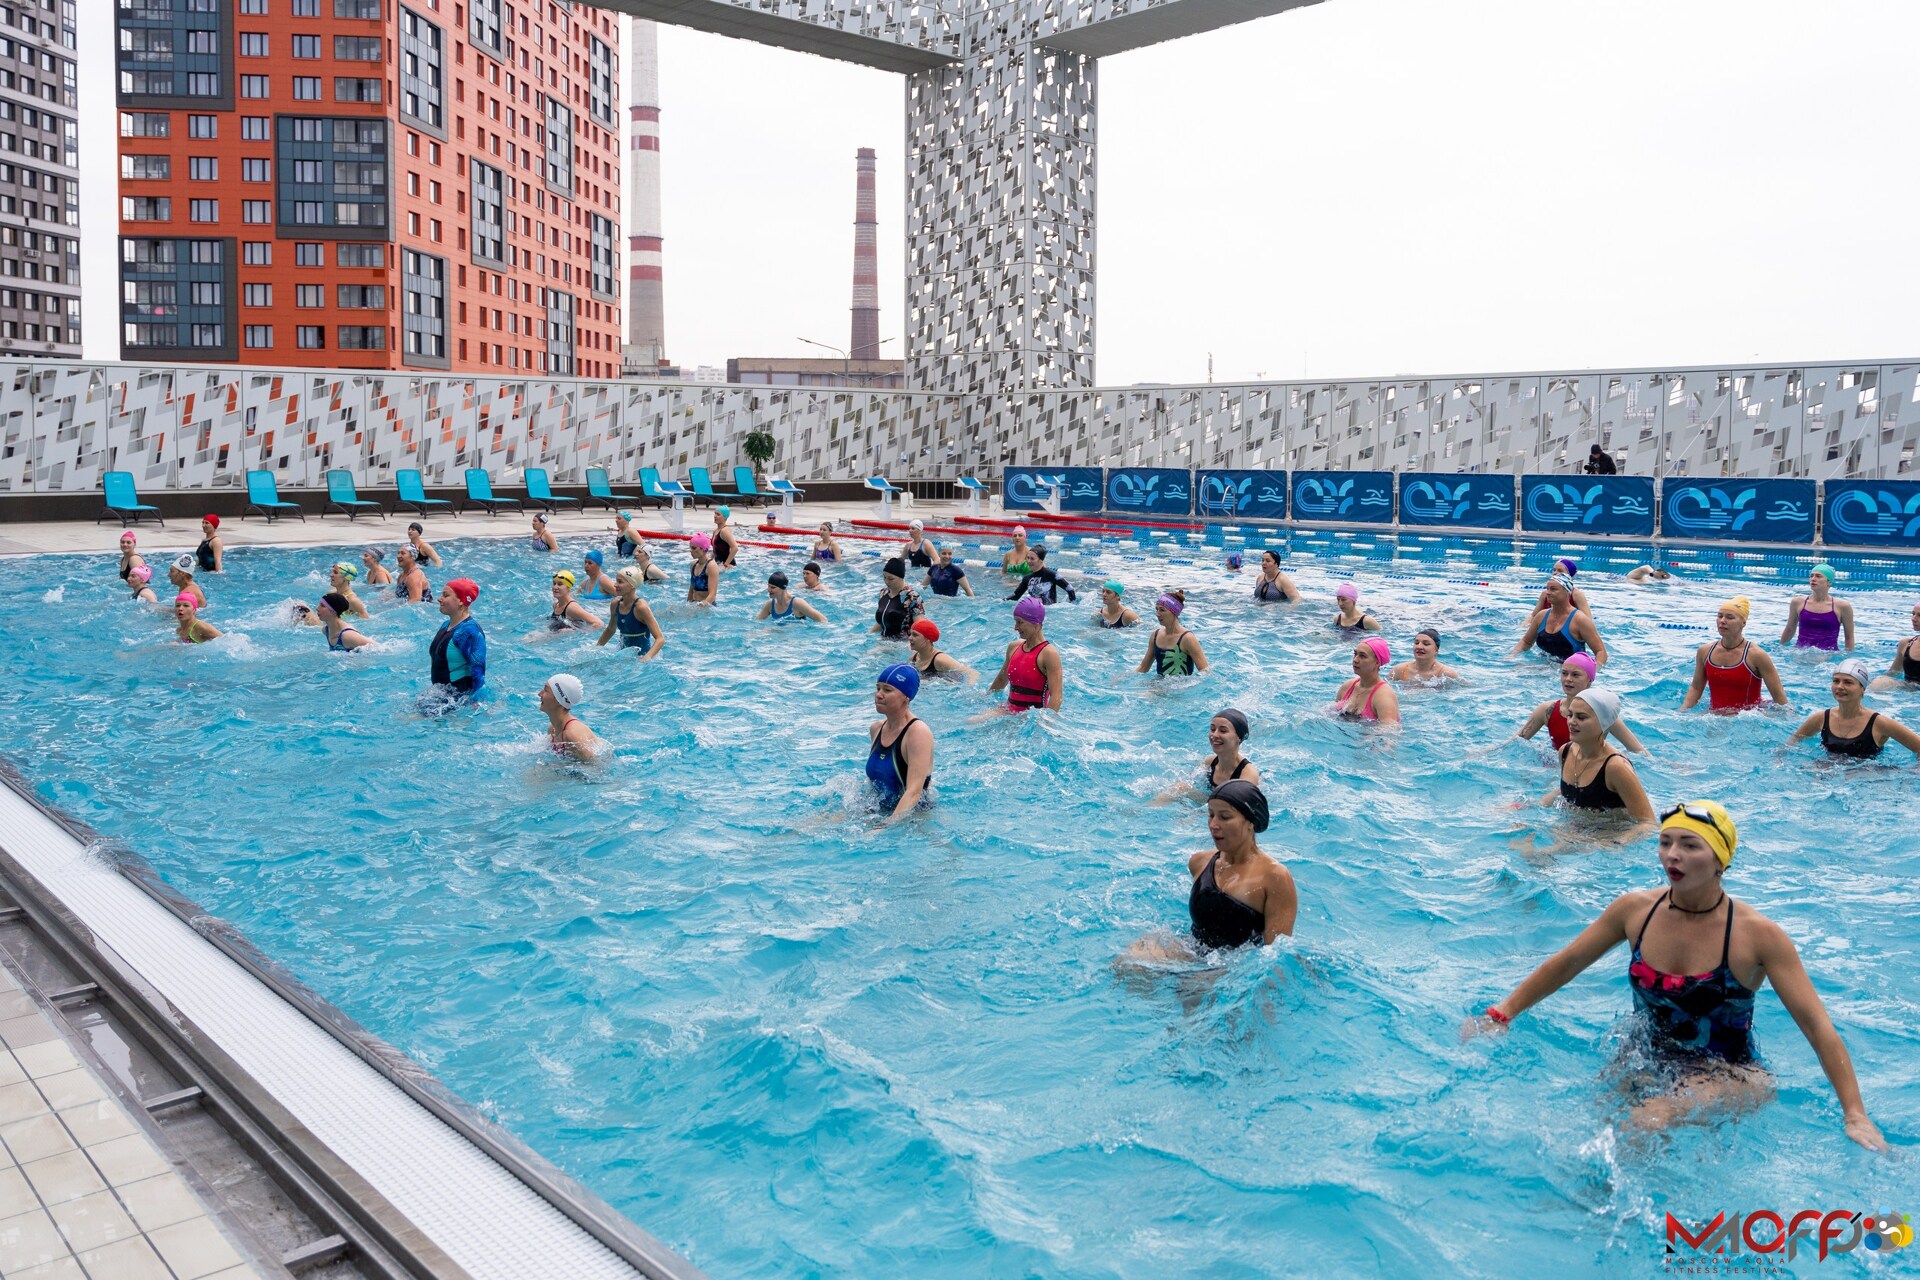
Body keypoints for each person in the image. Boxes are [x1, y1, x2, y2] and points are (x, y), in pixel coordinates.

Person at [1467, 801, 1887, 1151]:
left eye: (1689, 845)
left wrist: (1855, 1114)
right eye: (1666, 842)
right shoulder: (1635, 911)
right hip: (1645, 1052)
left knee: (1647, 1120)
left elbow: (1817, 1027)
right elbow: (1568, 962)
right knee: (1591, 1126)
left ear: (1720, 859)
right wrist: (1501, 1014)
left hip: (1729, 1072)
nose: (1672, 854)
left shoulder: (1757, 936)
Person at [1127, 782, 1296, 961]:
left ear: (1251, 822)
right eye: (1211, 815)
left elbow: (1275, 957)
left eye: (1225, 817)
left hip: (1235, 966)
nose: (1213, 824)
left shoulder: (1274, 877)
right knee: (1135, 954)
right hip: (1194, 954)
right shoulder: (1200, 862)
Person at [1539, 688, 1655, 821]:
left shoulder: (1616, 767)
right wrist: (1533, 806)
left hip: (1611, 831)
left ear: (1603, 722)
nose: (1571, 722)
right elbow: (1569, 792)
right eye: (1570, 715)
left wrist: (1605, 837)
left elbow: (1648, 823)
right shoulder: (1565, 752)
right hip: (1577, 827)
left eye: (1581, 717)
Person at [1787, 658, 1920, 760]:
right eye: (1836, 681)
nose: (1839, 686)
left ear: (1862, 688)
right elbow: (1792, 743)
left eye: (1848, 682)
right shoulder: (1820, 718)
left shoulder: (1879, 723)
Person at [1518, 653, 1648, 753]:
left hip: (1586, 770)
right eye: (1564, 673)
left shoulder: (1602, 713)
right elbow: (1516, 742)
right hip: (1554, 767)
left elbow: (1639, 751)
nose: (1568, 679)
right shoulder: (1547, 710)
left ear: (1589, 681)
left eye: (1575, 675)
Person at [1682, 597, 1788, 712]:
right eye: (1720, 616)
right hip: (1713, 716)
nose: (1722, 621)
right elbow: (1696, 687)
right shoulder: (1705, 651)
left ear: (1743, 623)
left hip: (1748, 718)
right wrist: (1682, 712)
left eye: (1729, 617)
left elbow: (1779, 696)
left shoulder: (1756, 655)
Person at [867, 663, 934, 821]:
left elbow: (914, 793)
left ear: (906, 697)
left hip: (912, 819)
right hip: (879, 811)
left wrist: (884, 827)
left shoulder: (917, 733)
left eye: (887, 690)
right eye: (878, 688)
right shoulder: (876, 729)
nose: (879, 695)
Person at [1155, 708, 1262, 805]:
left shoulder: (1248, 775)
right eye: (1212, 729)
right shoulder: (1209, 762)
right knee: (1180, 788)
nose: (1214, 735)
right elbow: (1190, 782)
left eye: (1223, 730)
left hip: (1226, 810)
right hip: (1212, 803)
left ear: (1239, 737)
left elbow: (1235, 810)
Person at [988, 597, 1063, 713]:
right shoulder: (1014, 647)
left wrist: (1045, 722)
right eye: (1015, 622)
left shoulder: (1048, 654)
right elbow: (1001, 680)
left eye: (1020, 622)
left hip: (1032, 717)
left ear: (1036, 624)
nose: (1015, 628)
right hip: (1008, 711)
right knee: (972, 721)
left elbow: (1056, 697)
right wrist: (984, 699)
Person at [1514, 574, 1608, 666]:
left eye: (1553, 589)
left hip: (1570, 671)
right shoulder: (1541, 616)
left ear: (1567, 592)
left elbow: (1601, 652)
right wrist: (1511, 657)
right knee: (1518, 668)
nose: (1548, 592)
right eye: (1547, 588)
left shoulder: (1580, 620)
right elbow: (1526, 642)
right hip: (1544, 665)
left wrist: (1592, 672)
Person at [428, 578, 487, 699]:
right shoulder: (445, 625)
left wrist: (477, 702)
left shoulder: (469, 631)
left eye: (445, 595)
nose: (439, 599)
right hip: (439, 695)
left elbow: (478, 671)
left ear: (461, 600)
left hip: (458, 699)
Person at [1780, 563, 1854, 652]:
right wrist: (1780, 649)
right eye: (1811, 576)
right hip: (1800, 653)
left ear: (1829, 582)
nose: (1813, 579)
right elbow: (1789, 629)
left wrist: (1848, 657)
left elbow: (1849, 637)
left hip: (1829, 656)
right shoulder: (1797, 602)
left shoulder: (1843, 606)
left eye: (1818, 576)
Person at [599, 567, 666, 657]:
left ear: (632, 585)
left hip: (641, 657)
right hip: (622, 655)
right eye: (616, 581)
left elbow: (660, 639)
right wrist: (596, 648)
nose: (615, 585)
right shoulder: (615, 603)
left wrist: (646, 658)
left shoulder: (641, 607)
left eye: (620, 582)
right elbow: (610, 629)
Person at [1137, 591, 1209, 676]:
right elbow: (1143, 667)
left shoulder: (1187, 638)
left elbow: (1205, 670)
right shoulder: (1155, 636)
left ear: (1174, 612)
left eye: (1162, 610)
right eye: (1157, 609)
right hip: (1159, 682)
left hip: (1182, 683)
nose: (1157, 614)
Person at [1332, 637, 1401, 724]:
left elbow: (1389, 729)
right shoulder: (1347, 686)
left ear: (1377, 662)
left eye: (1362, 656)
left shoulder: (1383, 696)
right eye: (1355, 654)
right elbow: (1331, 714)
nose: (1355, 660)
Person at [540, 674, 596, 762]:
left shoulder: (572, 735)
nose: (539, 694)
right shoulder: (552, 730)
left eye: (546, 690)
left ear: (558, 700)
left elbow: (596, 765)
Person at [906, 618, 975, 682]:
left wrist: (970, 688)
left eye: (915, 635)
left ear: (927, 639)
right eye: (910, 634)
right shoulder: (914, 658)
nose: (910, 638)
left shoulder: (940, 659)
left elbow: (972, 673)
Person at [872, 557, 923, 639]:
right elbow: (882, 622)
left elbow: (920, 627)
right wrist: (866, 635)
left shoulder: (912, 597)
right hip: (884, 640)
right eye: (884, 577)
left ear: (901, 577)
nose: (886, 581)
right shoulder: (883, 593)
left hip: (903, 643)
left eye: (891, 579)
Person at [1007, 545, 1077, 604]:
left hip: (1050, 612)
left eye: (1032, 559)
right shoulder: (1027, 578)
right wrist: (1003, 600)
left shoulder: (1051, 574)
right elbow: (1016, 596)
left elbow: (1070, 589)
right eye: (1027, 558)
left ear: (1040, 560)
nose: (1029, 561)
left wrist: (1072, 605)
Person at [1874, 601, 1920, 689]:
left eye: (1919, 615)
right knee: (1879, 682)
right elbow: (1893, 673)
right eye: (1913, 614)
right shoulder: (1906, 644)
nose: (1913, 618)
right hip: (1907, 690)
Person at [1392, 628, 1461, 683]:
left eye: (1426, 644)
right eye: (1416, 643)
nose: (1419, 647)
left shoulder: (1447, 675)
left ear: (1436, 650)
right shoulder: (1399, 671)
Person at [757, 571, 826, 624]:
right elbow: (757, 622)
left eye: (773, 587)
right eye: (768, 586)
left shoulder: (797, 603)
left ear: (783, 588)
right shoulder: (770, 604)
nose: (769, 590)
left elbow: (822, 620)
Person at [686, 535, 720, 605]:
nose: (691, 550)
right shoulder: (693, 565)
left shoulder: (711, 566)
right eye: (690, 547)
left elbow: (712, 595)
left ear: (703, 549)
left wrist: (700, 607)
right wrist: (688, 605)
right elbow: (691, 591)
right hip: (695, 604)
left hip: (707, 606)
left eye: (694, 548)